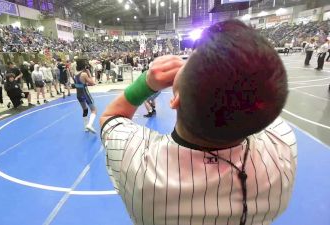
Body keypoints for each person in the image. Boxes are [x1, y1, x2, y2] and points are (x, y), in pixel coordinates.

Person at [100, 20, 296, 225]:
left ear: (175, 99)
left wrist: (145, 83)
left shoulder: (139, 166)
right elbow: (260, 99)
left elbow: (111, 117)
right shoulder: (282, 146)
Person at [74, 58, 97, 133]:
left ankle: (85, 127)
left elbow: (79, 83)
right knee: (94, 110)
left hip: (78, 94)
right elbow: (93, 83)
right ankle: (89, 125)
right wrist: (89, 73)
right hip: (85, 93)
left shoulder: (76, 74)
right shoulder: (84, 74)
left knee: (85, 109)